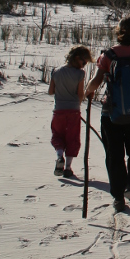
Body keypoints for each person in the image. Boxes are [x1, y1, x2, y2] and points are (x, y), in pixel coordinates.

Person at [85, 17, 130, 213]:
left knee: (114, 156)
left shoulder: (107, 55)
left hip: (111, 114)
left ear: (118, 32)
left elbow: (95, 82)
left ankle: (118, 198)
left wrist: (86, 92)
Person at [48, 45, 93, 180]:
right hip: (73, 111)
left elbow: (50, 91)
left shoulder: (56, 71)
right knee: (72, 138)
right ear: (77, 58)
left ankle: (59, 156)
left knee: (57, 135)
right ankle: (67, 168)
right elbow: (80, 94)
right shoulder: (80, 74)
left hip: (58, 110)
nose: (84, 65)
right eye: (84, 62)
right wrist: (78, 104)